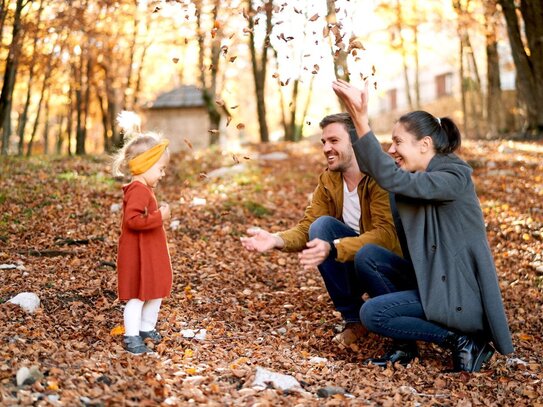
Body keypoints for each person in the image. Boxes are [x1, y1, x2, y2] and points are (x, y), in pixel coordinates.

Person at [332, 79, 514, 372]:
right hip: (431, 283)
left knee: (372, 314)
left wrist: (363, 118)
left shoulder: (454, 176)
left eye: (398, 142)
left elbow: (391, 177)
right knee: (368, 257)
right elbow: (375, 167)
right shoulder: (416, 180)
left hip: (457, 294)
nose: (391, 149)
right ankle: (404, 347)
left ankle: (463, 340)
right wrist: (355, 117)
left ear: (425, 144)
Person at [240, 113, 401, 347]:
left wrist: (335, 247)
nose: (326, 148)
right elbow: (308, 227)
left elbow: (385, 236)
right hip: (355, 260)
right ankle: (355, 319)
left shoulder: (380, 177)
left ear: (356, 142)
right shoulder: (329, 179)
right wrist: (275, 239)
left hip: (389, 269)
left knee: (354, 247)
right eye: (324, 142)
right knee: (321, 226)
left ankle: (398, 325)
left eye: (334, 141)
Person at [111, 121, 173, 355]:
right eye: (160, 168)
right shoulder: (137, 190)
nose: (163, 174)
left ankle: (146, 328)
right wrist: (159, 216)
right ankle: (131, 336)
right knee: (137, 296)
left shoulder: (145, 189)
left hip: (148, 252)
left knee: (155, 291)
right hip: (137, 255)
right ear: (145, 166)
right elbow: (132, 221)